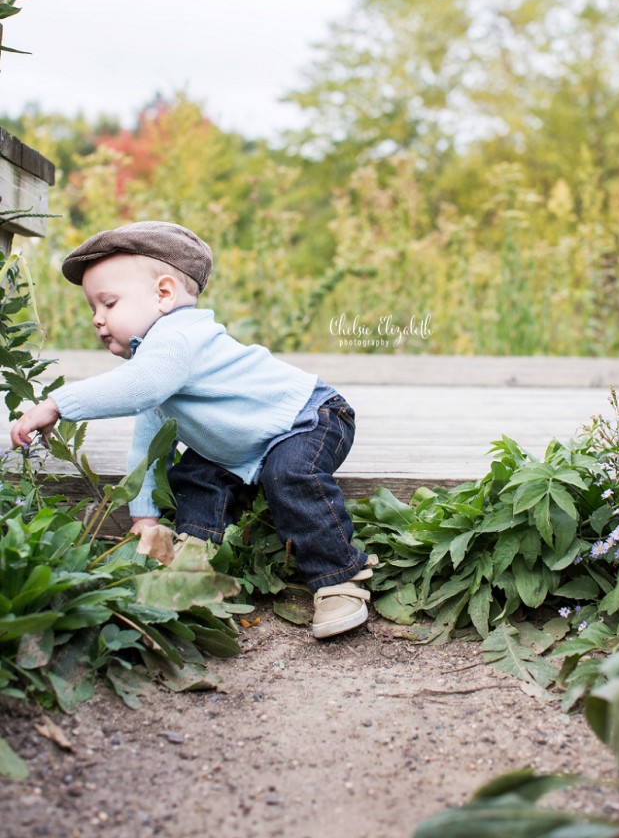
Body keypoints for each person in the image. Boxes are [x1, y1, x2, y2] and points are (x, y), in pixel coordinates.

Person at [10, 221, 374, 639]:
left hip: (310, 418)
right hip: (243, 439)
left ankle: (338, 577)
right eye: (93, 308)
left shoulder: (179, 339)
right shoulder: (156, 362)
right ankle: (193, 553)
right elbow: (149, 447)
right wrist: (144, 514)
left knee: (290, 475)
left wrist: (57, 405)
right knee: (195, 473)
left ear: (164, 294)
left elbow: (138, 388)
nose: (97, 319)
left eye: (108, 303)